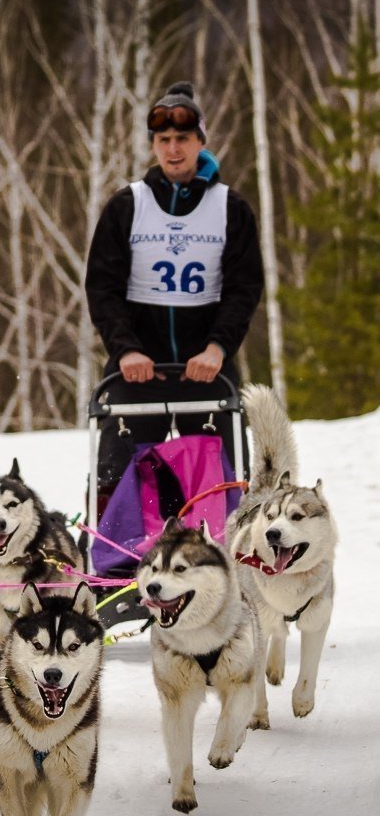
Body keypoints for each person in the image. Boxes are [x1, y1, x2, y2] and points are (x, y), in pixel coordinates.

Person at [85, 81, 264, 501]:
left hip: (206, 370)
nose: (173, 149)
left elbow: (244, 288)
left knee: (220, 484)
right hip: (136, 368)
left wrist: (218, 348)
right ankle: (117, 559)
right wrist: (126, 349)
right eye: (163, 140)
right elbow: (103, 287)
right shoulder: (127, 205)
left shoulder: (229, 208)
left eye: (182, 138)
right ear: (153, 146)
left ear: (201, 141)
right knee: (118, 480)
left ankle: (221, 554)